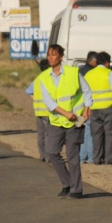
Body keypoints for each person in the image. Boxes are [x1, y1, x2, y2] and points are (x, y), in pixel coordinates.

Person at [41, 43, 92, 199]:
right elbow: (49, 102)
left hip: (74, 121)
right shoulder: (44, 77)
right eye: (49, 55)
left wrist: (87, 108)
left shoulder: (73, 72)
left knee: (72, 156)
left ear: (61, 57)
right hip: (57, 121)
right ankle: (67, 183)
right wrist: (65, 113)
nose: (50, 57)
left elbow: (86, 90)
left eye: (54, 54)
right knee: (51, 151)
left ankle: (76, 190)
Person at [86, 51, 112, 164]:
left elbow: (85, 92)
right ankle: (109, 158)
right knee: (110, 134)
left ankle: (97, 158)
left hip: (94, 109)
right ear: (107, 62)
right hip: (108, 108)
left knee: (96, 135)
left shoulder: (89, 74)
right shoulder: (109, 73)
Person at [26, 58, 52, 162]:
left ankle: (42, 155)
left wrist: (36, 99)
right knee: (48, 134)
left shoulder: (37, 79)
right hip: (47, 111)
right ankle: (49, 156)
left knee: (41, 135)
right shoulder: (49, 79)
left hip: (38, 111)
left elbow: (28, 91)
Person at [78, 51, 99, 163]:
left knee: (81, 133)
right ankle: (89, 157)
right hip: (88, 106)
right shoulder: (91, 72)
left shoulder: (80, 70)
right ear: (92, 61)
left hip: (79, 106)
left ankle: (82, 157)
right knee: (89, 133)